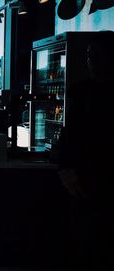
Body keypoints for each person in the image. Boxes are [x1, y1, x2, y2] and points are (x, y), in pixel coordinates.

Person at [57, 33, 114, 270]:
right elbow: (70, 134)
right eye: (90, 56)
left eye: (97, 56)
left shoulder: (80, 92)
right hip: (85, 179)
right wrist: (66, 169)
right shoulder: (79, 92)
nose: (92, 61)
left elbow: (69, 135)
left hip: (87, 177)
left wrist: (66, 168)